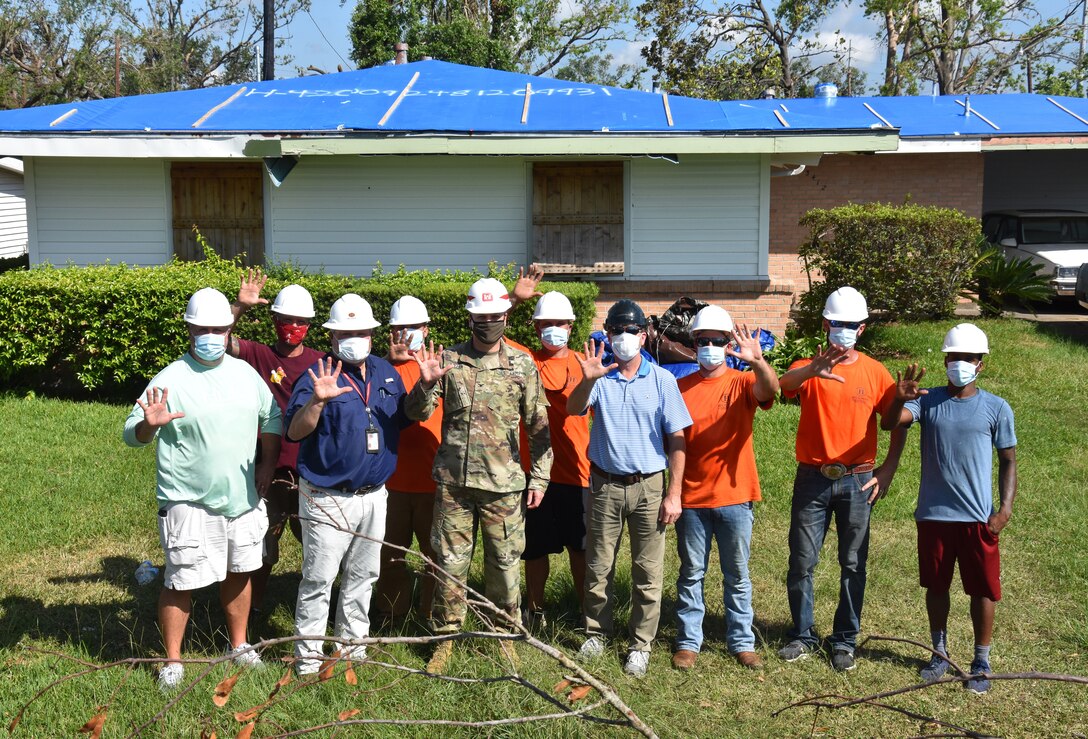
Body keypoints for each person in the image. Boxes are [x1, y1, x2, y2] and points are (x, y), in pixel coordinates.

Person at [123, 287, 282, 691]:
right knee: (180, 580)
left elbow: (272, 416)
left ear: (230, 329)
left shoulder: (245, 373)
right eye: (203, 328)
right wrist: (149, 425)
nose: (212, 335)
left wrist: (267, 462)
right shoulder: (171, 377)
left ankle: (239, 645)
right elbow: (131, 433)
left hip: (242, 500)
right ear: (190, 329)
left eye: (219, 328)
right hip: (188, 501)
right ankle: (173, 661)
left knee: (241, 572)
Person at [405, 277, 552, 673]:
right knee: (450, 566)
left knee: (504, 565)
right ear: (470, 318)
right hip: (454, 484)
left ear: (506, 315)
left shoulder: (522, 365)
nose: (487, 322)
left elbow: (539, 426)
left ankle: (505, 637)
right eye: (480, 316)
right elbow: (417, 414)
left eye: (494, 315)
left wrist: (539, 479)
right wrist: (425, 384)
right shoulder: (448, 360)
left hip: (503, 486)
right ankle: (446, 640)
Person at [881, 323, 1017, 694]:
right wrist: (897, 398)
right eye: (953, 357)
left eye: (967, 359)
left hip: (978, 519)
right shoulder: (926, 400)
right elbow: (889, 423)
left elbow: (1008, 460)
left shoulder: (996, 408)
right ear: (945, 361)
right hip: (934, 516)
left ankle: (981, 659)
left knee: (983, 590)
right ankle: (939, 652)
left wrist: (1003, 510)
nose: (960, 364)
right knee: (936, 586)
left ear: (980, 364)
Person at [777, 286, 906, 672]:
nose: (842, 330)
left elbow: (896, 422)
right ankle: (802, 635)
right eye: (836, 323)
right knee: (802, 561)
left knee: (853, 563)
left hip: (858, 478)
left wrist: (887, 469)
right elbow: (784, 386)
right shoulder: (809, 366)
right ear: (824, 324)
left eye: (850, 325)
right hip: (813, 477)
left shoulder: (874, 371)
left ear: (862, 329)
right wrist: (812, 369)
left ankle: (844, 640)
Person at [567, 298, 692, 678]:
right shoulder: (598, 377)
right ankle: (596, 632)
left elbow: (678, 440)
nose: (623, 338)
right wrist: (588, 379)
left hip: (649, 486)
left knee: (648, 571)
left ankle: (640, 644)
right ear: (607, 335)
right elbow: (573, 409)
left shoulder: (663, 381)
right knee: (598, 565)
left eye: (631, 331)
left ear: (643, 336)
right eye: (616, 331)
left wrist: (674, 494)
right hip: (605, 484)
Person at [284, 294, 407, 675]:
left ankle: (353, 648)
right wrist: (317, 402)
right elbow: (294, 430)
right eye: (345, 332)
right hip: (327, 496)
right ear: (333, 335)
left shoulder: (387, 372)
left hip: (374, 496)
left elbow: (402, 418)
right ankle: (308, 659)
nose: (354, 338)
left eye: (361, 332)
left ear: (372, 334)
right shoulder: (318, 375)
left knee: (364, 575)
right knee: (319, 578)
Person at [672, 306, 779, 672]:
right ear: (694, 343)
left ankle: (742, 641)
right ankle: (688, 642)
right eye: (704, 341)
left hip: (735, 497)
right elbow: (674, 443)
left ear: (729, 343)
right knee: (691, 573)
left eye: (719, 341)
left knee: (737, 575)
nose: (712, 347)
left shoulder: (742, 382)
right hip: (692, 498)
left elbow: (771, 390)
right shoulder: (679, 387)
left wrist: (758, 362)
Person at [227, 270, 323, 612]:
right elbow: (219, 339)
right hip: (264, 468)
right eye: (285, 320)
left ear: (309, 325)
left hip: (309, 474)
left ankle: (317, 610)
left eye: (300, 321)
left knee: (318, 546)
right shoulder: (259, 355)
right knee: (260, 547)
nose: (292, 326)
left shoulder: (321, 362)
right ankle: (252, 612)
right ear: (274, 320)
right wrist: (240, 306)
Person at [371, 296, 443, 625]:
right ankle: (391, 612)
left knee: (435, 555)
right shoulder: (379, 368)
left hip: (434, 479)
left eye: (412, 328)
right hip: (392, 480)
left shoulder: (439, 364)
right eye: (399, 328)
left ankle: (430, 613)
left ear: (425, 329)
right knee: (391, 554)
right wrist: (388, 358)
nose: (406, 334)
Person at [522, 291, 591, 627]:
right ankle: (535, 610)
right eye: (546, 324)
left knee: (581, 550)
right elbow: (490, 330)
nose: (553, 329)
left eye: (559, 323)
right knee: (534, 550)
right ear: (536, 328)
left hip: (578, 473)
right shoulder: (526, 361)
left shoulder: (584, 364)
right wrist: (514, 297)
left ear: (570, 325)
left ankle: (585, 612)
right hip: (534, 477)